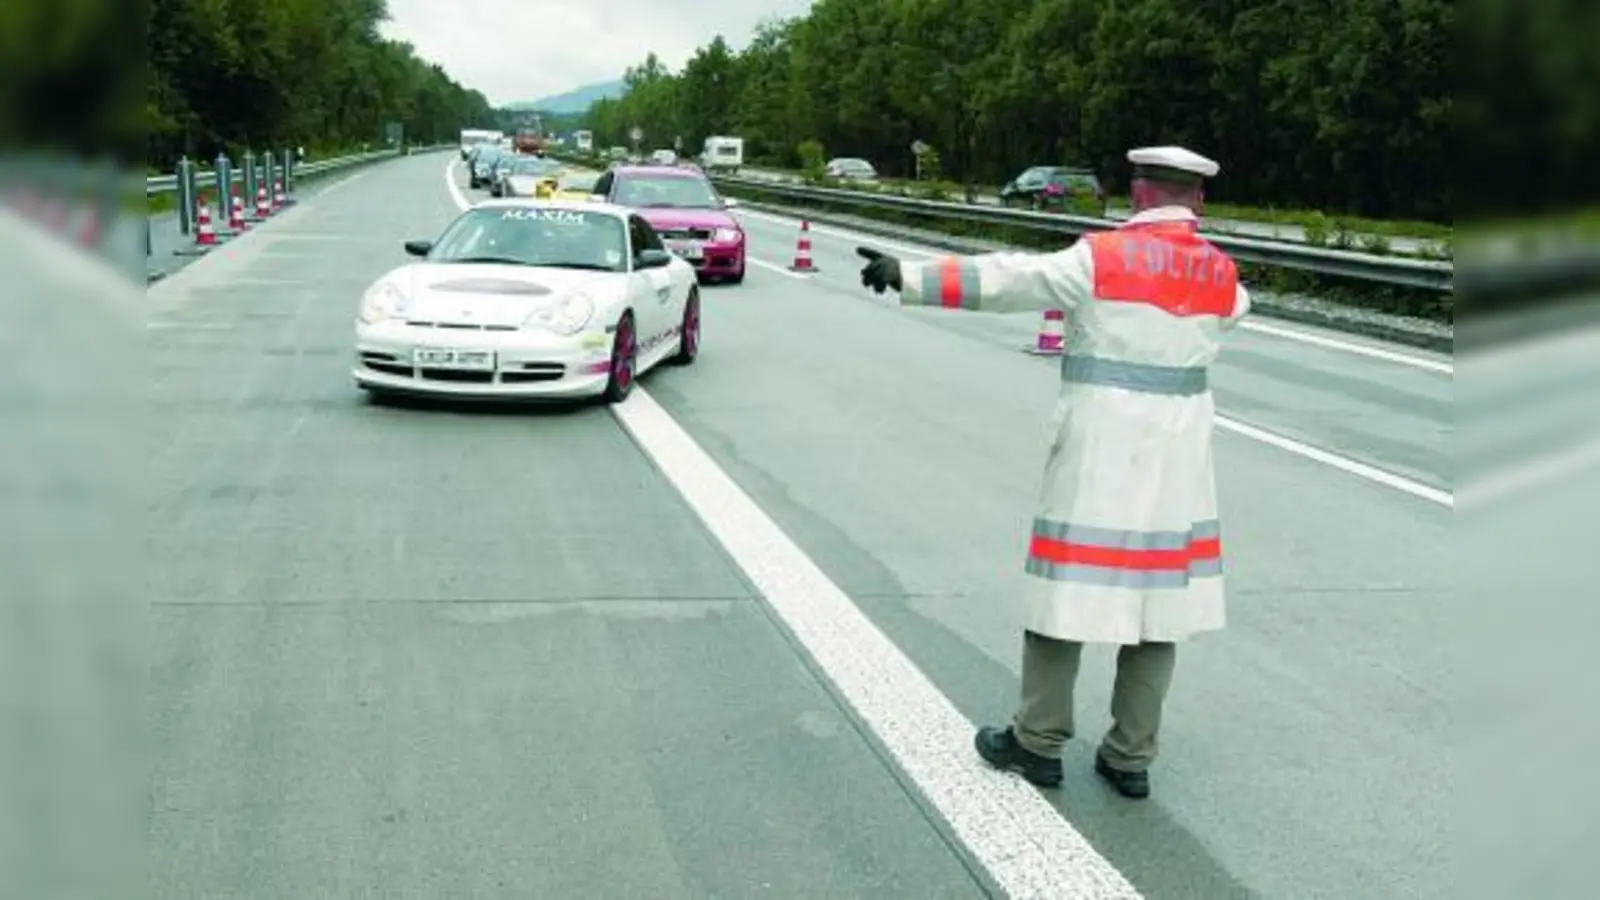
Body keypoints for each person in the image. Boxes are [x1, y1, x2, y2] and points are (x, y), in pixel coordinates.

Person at [857, 146, 1251, 800]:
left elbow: (1012, 279)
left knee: (1063, 592)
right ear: (1198, 199)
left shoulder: (1101, 257)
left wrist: (911, 276)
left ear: (1138, 191)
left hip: (1100, 451)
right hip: (1179, 464)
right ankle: (1130, 757)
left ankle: (1037, 742)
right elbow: (1240, 306)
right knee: (1159, 611)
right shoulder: (1221, 274)